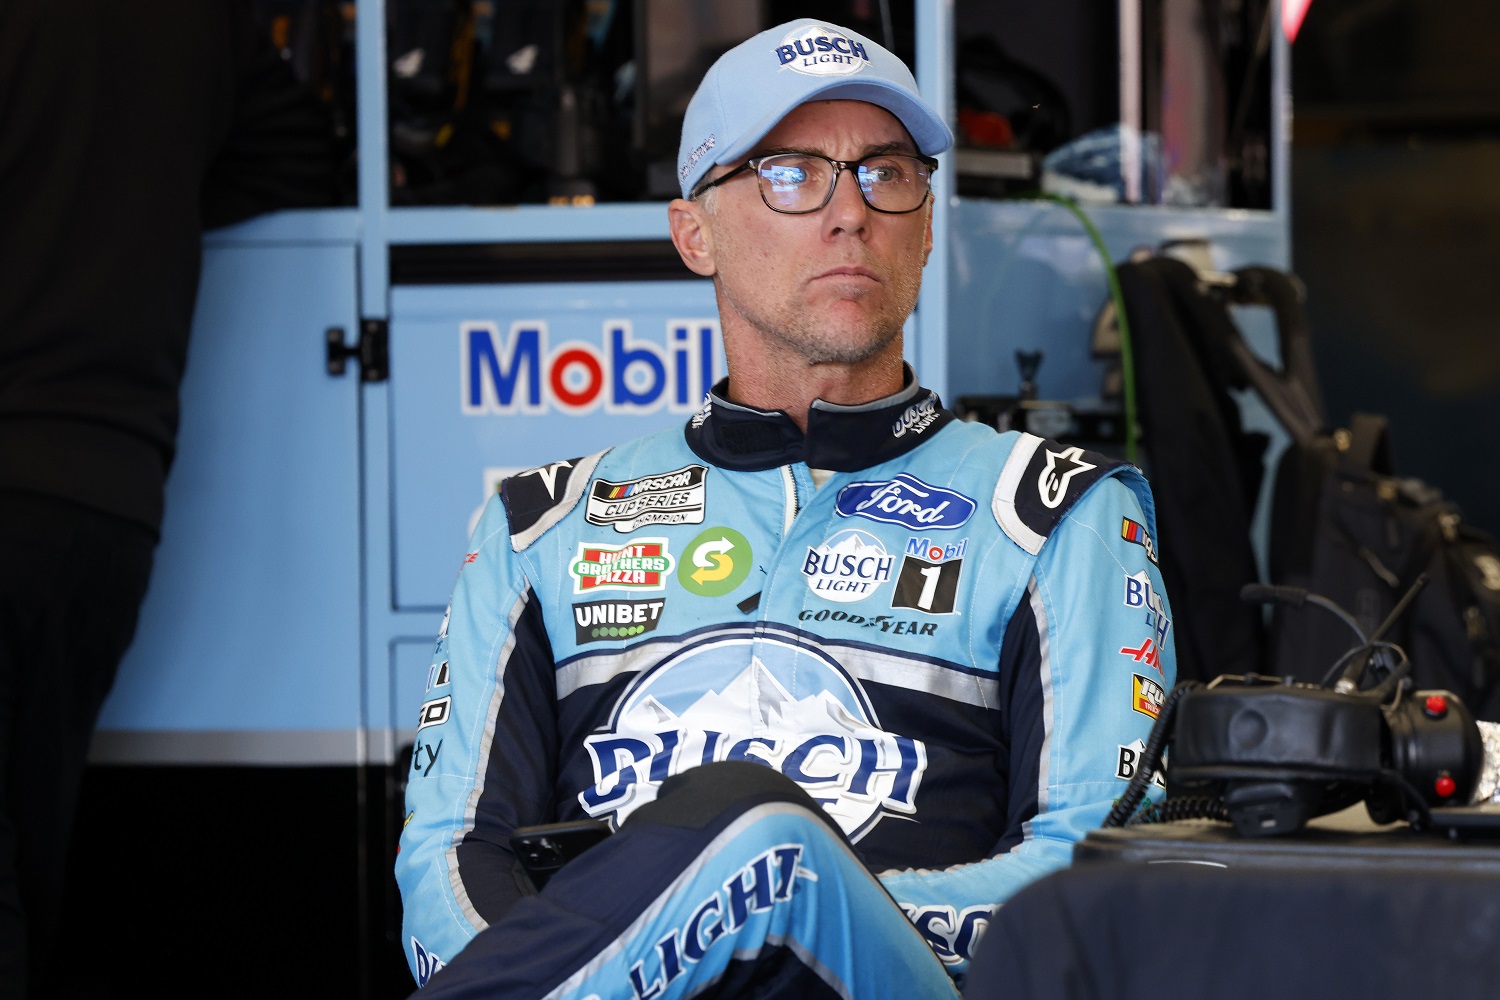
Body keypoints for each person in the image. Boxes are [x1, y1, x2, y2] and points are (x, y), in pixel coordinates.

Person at [396, 17, 1175, 998]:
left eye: (884, 173)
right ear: (695, 232)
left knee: (764, 839)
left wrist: (807, 900)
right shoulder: (542, 526)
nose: (850, 212)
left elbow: (1095, 880)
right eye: (791, 173)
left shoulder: (1057, 515)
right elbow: (443, 872)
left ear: (926, 227)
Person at [0, 1, 334, 995]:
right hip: (99, 502)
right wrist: (132, 199)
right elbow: (299, 161)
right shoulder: (195, 20)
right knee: (27, 862)